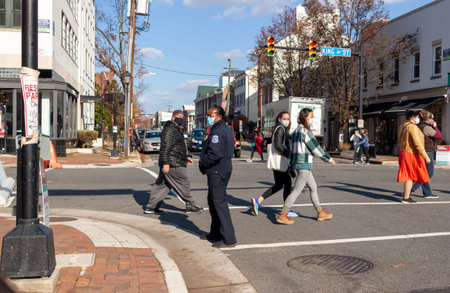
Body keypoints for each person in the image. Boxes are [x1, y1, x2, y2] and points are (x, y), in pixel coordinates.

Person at [277, 108, 335, 225]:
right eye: (310, 117)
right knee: (297, 190)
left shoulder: (295, 132)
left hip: (299, 164)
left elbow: (292, 150)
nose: (312, 119)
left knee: (313, 188)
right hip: (304, 165)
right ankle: (282, 214)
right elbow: (316, 148)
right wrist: (329, 159)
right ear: (305, 117)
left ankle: (320, 213)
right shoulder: (305, 132)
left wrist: (291, 165)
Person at [144, 110, 203, 214]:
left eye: (182, 116)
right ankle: (190, 205)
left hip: (174, 161)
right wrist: (166, 163)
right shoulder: (170, 129)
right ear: (173, 117)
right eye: (178, 116)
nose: (181, 118)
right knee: (183, 183)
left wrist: (186, 157)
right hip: (173, 163)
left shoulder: (175, 129)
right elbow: (165, 148)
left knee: (162, 185)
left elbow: (177, 147)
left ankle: (152, 207)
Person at [199, 105, 237, 248]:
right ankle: (215, 232)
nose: (208, 118)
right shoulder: (222, 129)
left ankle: (229, 238)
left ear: (219, 116)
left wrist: (202, 163)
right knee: (213, 201)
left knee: (219, 203)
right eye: (208, 115)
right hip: (222, 170)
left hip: (217, 171)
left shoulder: (218, 131)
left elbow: (215, 153)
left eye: (211, 115)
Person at [250, 111, 299, 218]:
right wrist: (289, 154)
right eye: (284, 118)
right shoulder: (280, 128)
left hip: (277, 162)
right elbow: (278, 145)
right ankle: (287, 210)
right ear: (279, 119)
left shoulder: (278, 128)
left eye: (288, 118)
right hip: (281, 161)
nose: (287, 120)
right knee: (287, 184)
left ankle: (258, 201)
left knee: (278, 185)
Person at [397, 110, 431, 204]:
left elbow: (400, 139)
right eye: (417, 117)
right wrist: (425, 156)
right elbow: (417, 143)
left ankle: (406, 194)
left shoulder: (402, 126)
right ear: (412, 118)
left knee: (411, 175)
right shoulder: (412, 127)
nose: (418, 119)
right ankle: (406, 197)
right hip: (411, 153)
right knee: (412, 175)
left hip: (404, 152)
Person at [410, 110, 441, 198]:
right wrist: (435, 127)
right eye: (432, 118)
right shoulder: (426, 127)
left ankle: (427, 193)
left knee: (424, 172)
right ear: (428, 119)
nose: (434, 120)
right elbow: (438, 136)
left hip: (422, 151)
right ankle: (412, 188)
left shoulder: (420, 126)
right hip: (427, 151)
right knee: (429, 173)